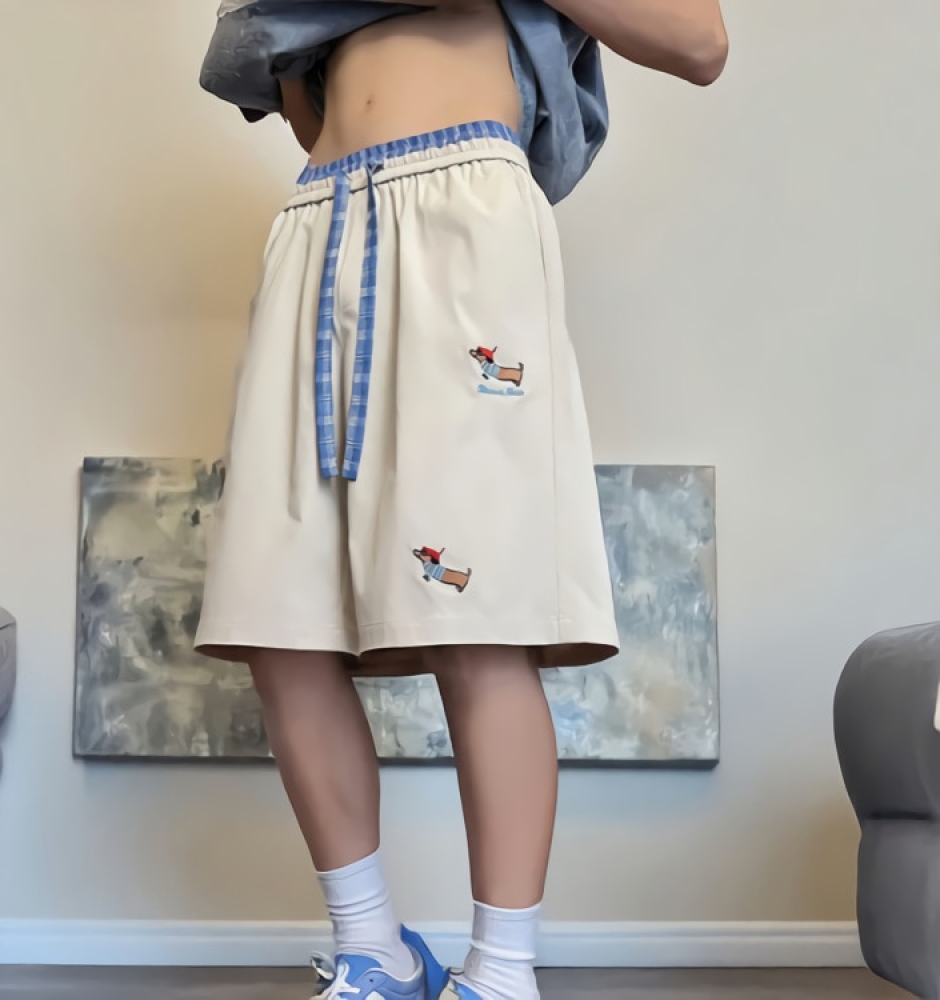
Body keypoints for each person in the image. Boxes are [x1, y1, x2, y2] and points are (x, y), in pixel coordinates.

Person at [194, 2, 728, 999]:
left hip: (464, 206)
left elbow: (700, 42)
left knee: (478, 621)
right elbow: (302, 107)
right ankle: (376, 951)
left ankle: (501, 972)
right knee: (278, 625)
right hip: (319, 217)